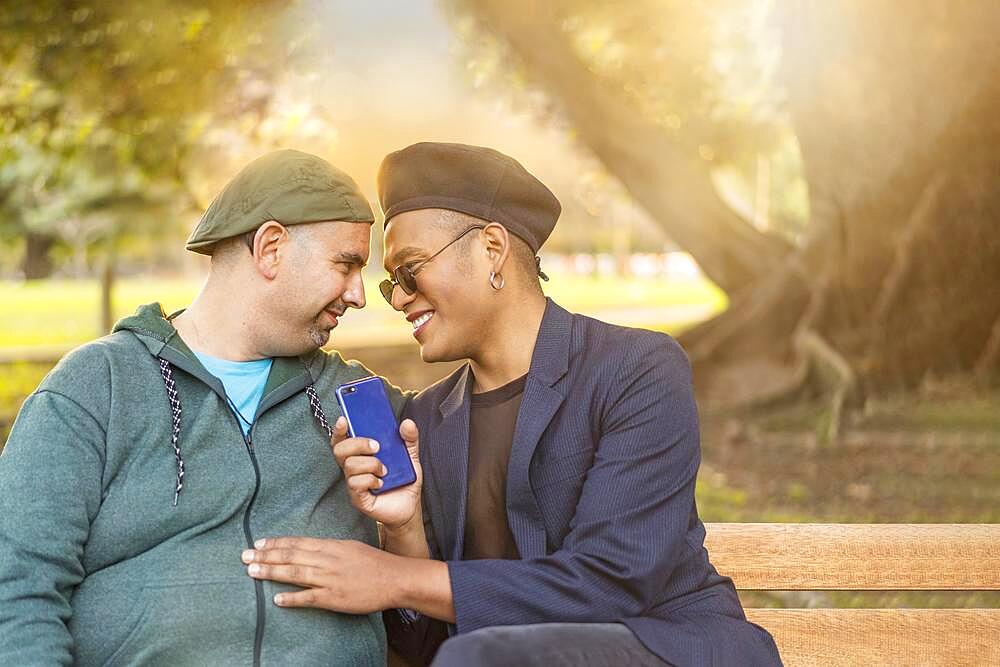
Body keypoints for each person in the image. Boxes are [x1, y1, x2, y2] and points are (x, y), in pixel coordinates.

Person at [242, 142, 783, 666]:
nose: (400, 297)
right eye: (391, 286)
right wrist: (403, 531)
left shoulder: (636, 369)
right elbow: (429, 647)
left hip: (671, 649)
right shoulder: (428, 420)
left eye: (409, 270)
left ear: (492, 249)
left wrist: (389, 576)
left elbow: (613, 582)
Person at [0, 149, 410, 666]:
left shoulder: (357, 400)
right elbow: (16, 591)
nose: (359, 295)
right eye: (346, 264)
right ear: (271, 248)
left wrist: (401, 528)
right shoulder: (95, 389)